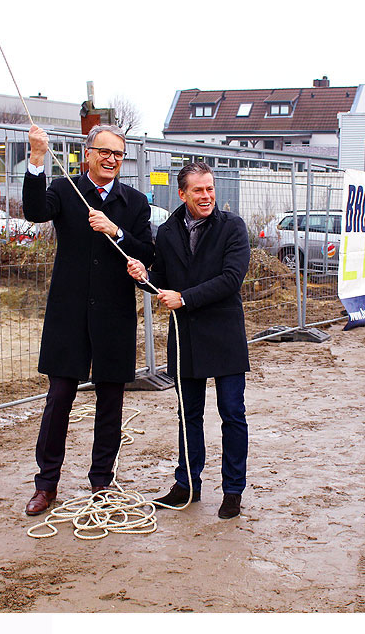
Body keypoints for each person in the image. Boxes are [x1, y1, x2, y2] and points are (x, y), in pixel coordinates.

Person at [22, 124, 154, 516]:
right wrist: (36, 157)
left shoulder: (135, 202)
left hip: (114, 314)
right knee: (59, 398)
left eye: (118, 154)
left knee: (110, 401)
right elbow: (33, 211)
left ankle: (101, 482)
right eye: (104, 152)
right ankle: (46, 485)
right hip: (69, 313)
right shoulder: (66, 191)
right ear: (88, 154)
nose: (111, 159)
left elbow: (147, 251)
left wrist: (116, 230)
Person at [126, 162, 251, 520]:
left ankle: (232, 491)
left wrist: (185, 298)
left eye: (210, 188)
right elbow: (160, 280)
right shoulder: (167, 232)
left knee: (232, 414)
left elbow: (231, 279)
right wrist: (142, 276)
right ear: (182, 194)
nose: (207, 196)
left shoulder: (232, 227)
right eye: (199, 190)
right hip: (186, 338)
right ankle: (187, 485)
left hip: (224, 335)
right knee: (188, 415)